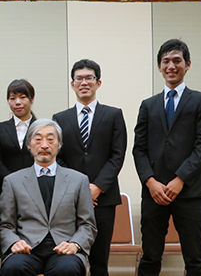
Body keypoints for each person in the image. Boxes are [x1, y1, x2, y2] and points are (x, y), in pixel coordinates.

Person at [132, 39, 201, 276]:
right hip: (154, 193)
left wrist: (180, 180)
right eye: (165, 61)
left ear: (187, 64)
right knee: (149, 258)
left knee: (194, 258)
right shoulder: (148, 105)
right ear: (159, 66)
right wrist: (150, 182)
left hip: (189, 191)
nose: (171, 66)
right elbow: (139, 150)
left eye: (177, 60)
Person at [53, 59, 126, 276]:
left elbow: (117, 156)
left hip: (103, 199)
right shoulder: (60, 118)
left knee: (100, 262)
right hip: (70, 200)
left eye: (89, 78)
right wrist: (79, 189)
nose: (84, 82)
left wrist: (96, 187)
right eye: (79, 78)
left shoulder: (113, 115)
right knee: (68, 259)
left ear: (98, 83)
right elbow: (58, 158)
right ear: (72, 84)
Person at [0, 119, 96, 276]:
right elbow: (6, 225)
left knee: (67, 268)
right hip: (27, 249)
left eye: (50, 140)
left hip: (64, 248)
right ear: (29, 145)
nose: (44, 145)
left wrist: (75, 244)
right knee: (14, 267)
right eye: (38, 140)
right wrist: (14, 242)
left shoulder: (78, 180)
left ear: (59, 144)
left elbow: (87, 224)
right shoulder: (12, 181)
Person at [0, 79, 37, 198]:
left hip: (35, 188)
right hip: (4, 188)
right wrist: (11, 181)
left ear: (32, 99)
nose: (17, 102)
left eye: (22, 97)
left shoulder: (41, 128)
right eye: (12, 98)